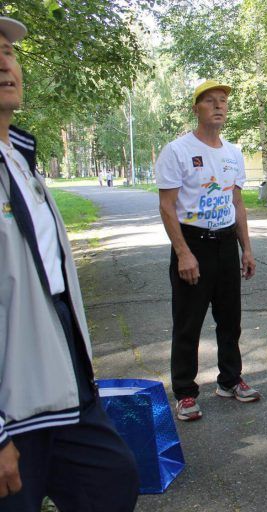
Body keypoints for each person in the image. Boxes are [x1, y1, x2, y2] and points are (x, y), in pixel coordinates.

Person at [0, 17, 139, 511]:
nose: (4, 62)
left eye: (8, 52)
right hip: (11, 400)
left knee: (110, 482)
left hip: (61, 370)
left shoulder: (20, 155)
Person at [156, 79, 260, 422]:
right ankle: (185, 392)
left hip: (226, 243)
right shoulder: (177, 150)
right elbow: (168, 206)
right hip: (193, 243)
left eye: (223, 102)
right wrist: (184, 253)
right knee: (188, 322)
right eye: (210, 101)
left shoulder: (233, 153)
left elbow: (237, 202)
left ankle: (230, 380)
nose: (219, 106)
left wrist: (246, 248)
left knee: (230, 319)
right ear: (196, 108)